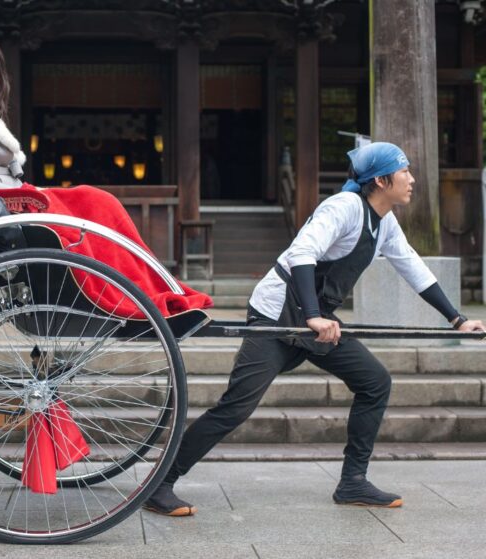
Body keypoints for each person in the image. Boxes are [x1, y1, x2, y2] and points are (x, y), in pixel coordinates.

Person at [143, 141, 486, 516]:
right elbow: (300, 254)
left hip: (317, 318)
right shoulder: (343, 208)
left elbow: (412, 267)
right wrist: (312, 316)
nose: (412, 179)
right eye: (405, 172)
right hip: (278, 315)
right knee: (236, 408)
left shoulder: (384, 222)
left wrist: (457, 319)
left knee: (375, 382)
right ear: (383, 180)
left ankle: (353, 481)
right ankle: (160, 485)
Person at [0, 33, 212, 317]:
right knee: (91, 210)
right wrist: (18, 194)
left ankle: (150, 286)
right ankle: (134, 292)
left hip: (16, 195)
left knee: (99, 202)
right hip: (4, 202)